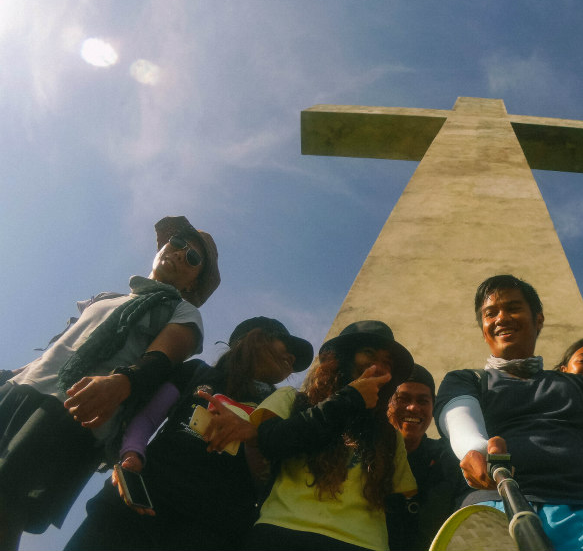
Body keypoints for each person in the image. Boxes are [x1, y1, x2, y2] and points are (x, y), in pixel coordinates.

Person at [0, 215, 219, 551]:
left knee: (6, 496)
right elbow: (60, 346)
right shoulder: (106, 298)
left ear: (193, 282)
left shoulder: (182, 312)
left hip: (76, 406)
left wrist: (122, 382)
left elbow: (160, 361)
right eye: (178, 243)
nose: (179, 253)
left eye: (192, 257)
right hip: (23, 389)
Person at [434, 274, 583, 551]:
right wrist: (478, 451)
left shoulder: (577, 385)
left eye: (513, 308)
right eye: (490, 313)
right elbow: (459, 422)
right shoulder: (465, 379)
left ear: (538, 320)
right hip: (491, 513)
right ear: (483, 329)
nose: (501, 318)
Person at [65, 317, 313, 551]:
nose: (291, 358)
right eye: (286, 344)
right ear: (255, 337)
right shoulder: (197, 372)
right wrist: (132, 454)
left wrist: (252, 438)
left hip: (213, 528)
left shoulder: (284, 405)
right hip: (146, 497)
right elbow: (149, 418)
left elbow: (272, 474)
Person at [200, 320, 417, 551]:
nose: (380, 367)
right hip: (281, 534)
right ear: (337, 358)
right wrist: (351, 398)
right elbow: (273, 442)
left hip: (363, 544)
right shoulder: (291, 399)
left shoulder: (390, 436)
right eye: (369, 353)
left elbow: (398, 503)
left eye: (387, 362)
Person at [385, 364, 466, 551]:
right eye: (403, 399)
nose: (413, 407)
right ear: (387, 403)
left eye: (423, 401)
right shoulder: (361, 455)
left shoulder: (449, 457)